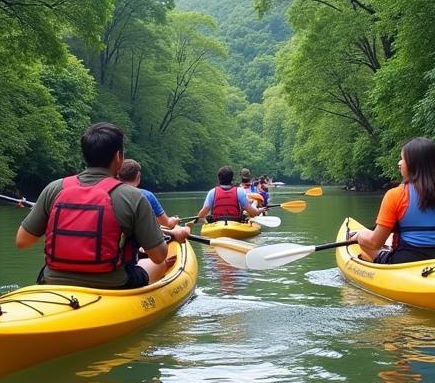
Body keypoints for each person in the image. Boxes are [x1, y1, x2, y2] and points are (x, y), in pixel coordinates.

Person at [16, 123, 191, 287]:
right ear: (118, 156)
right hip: (113, 284)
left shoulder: (54, 188)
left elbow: (22, 241)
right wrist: (170, 236)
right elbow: (159, 256)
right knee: (159, 265)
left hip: (52, 281)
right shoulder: (134, 197)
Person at [350, 137, 435, 263]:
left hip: (406, 262)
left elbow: (375, 243)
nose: (399, 163)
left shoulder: (395, 195)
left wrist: (359, 237)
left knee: (365, 244)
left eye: (402, 159)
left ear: (413, 164)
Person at [117, 158, 181, 230]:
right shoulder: (147, 195)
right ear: (138, 175)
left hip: (120, 237)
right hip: (143, 238)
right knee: (184, 230)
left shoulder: (112, 194)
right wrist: (173, 220)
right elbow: (167, 223)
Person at [195, 166, 264, 223]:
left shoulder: (212, 192)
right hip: (235, 221)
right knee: (250, 208)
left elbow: (201, 215)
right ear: (232, 179)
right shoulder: (239, 191)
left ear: (218, 178)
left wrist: (205, 222)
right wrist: (259, 210)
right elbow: (252, 213)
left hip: (217, 222)